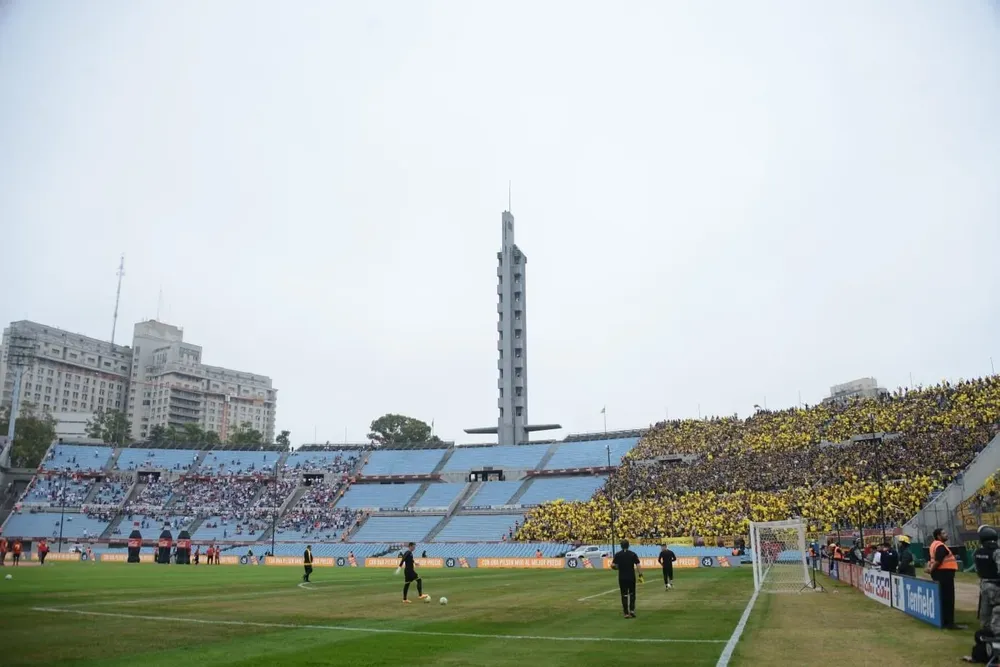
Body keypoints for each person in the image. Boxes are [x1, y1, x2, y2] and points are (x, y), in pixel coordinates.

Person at [927, 528, 963, 630]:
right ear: (938, 536)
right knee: (948, 599)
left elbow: (931, 559)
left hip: (939, 574)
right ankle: (950, 623)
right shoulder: (940, 546)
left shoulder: (934, 544)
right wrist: (931, 569)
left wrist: (930, 569)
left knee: (942, 598)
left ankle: (944, 621)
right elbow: (938, 561)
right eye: (944, 533)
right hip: (944, 575)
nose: (946, 535)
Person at [611, 539, 641, 619]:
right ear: (628, 545)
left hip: (622, 577)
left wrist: (617, 568)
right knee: (632, 594)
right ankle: (632, 610)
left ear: (621, 546)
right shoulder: (633, 554)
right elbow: (638, 564)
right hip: (631, 577)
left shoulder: (618, 554)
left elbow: (613, 565)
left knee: (624, 595)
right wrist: (640, 574)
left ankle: (626, 613)